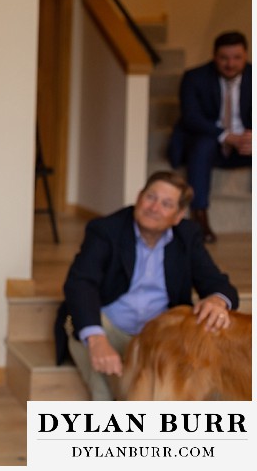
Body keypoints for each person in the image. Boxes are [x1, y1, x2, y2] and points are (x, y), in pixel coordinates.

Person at [54, 171, 239, 401]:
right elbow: (80, 284)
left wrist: (216, 300)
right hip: (111, 327)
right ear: (138, 197)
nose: (154, 207)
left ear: (178, 215)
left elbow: (218, 283)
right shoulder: (105, 230)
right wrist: (97, 339)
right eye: (150, 197)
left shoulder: (187, 235)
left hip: (161, 335)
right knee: (108, 389)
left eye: (166, 204)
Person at [167, 30, 252, 242]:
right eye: (224, 58)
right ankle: (199, 215)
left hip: (245, 145)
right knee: (203, 144)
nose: (230, 64)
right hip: (209, 142)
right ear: (214, 56)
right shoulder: (195, 77)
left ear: (246, 56)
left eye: (236, 58)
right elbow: (191, 117)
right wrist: (225, 136)